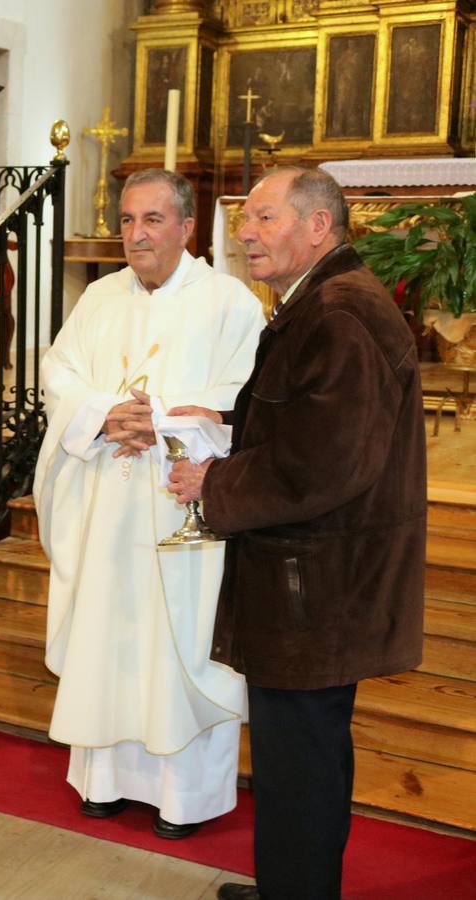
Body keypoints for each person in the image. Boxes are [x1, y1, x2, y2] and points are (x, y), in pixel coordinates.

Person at [169, 168, 426, 900]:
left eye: (264, 218)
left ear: (318, 226)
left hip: (319, 587)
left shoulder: (339, 314)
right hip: (310, 581)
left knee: (303, 762)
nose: (245, 232)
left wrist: (212, 483)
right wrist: (226, 428)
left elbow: (323, 466)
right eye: (246, 219)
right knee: (290, 761)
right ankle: (289, 885)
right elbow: (311, 427)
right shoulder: (320, 300)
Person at [32, 169, 265, 838]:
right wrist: (104, 415)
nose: (136, 235)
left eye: (153, 220)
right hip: (108, 501)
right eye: (128, 221)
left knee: (177, 641)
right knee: (109, 634)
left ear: (188, 228)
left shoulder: (231, 304)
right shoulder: (100, 298)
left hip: (178, 502)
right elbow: (60, 373)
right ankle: (103, 779)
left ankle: (182, 797)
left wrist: (162, 420)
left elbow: (242, 399)